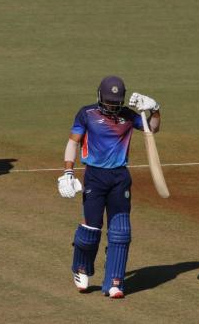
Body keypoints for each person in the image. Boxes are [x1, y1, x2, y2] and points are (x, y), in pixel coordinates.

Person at [57, 76, 161, 299]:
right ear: (99, 97)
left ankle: (114, 281)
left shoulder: (129, 117)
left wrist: (155, 108)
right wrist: (67, 171)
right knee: (91, 229)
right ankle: (81, 267)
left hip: (120, 177)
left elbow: (152, 129)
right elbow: (73, 141)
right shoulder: (87, 114)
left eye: (116, 102)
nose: (112, 106)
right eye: (108, 101)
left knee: (121, 231)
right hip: (94, 176)